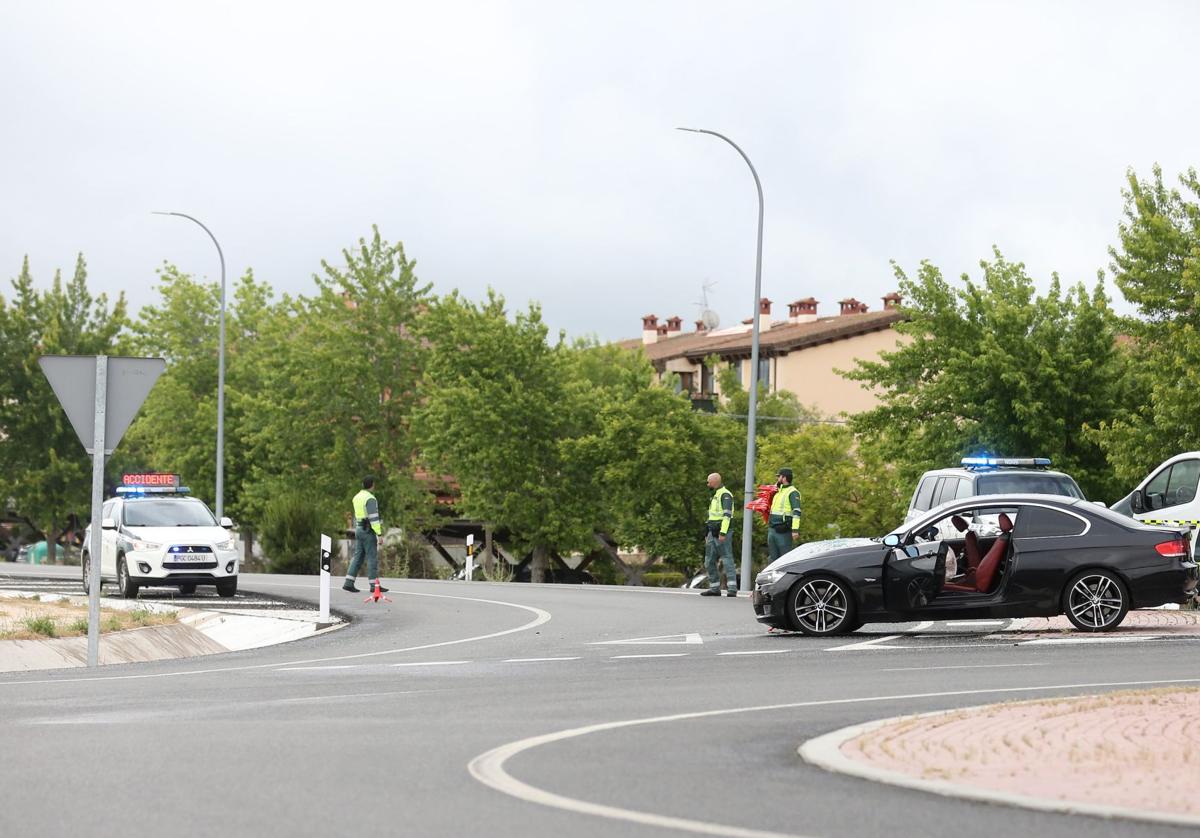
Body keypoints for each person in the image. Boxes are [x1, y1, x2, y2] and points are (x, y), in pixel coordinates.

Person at [344, 475, 388, 594]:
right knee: (372, 557)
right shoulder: (370, 498)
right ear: (372, 485)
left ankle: (348, 583)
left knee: (358, 556)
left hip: (359, 528)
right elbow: (374, 518)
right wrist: (379, 534)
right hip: (368, 530)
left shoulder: (356, 497)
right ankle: (374, 585)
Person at [700, 472, 737, 597]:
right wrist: (707, 533)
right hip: (712, 531)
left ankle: (732, 588)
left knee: (727, 559)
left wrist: (723, 532)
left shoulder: (725, 495)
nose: (707, 484)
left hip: (722, 532)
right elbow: (711, 516)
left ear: (715, 481)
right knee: (709, 560)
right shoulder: (715, 495)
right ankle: (714, 588)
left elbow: (727, 516)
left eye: (708, 481)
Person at [767, 467, 801, 562]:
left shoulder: (793, 492)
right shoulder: (778, 492)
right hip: (772, 529)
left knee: (784, 559)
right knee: (772, 559)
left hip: (783, 531)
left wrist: (795, 530)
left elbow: (797, 512)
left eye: (779, 477)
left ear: (784, 478)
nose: (777, 479)